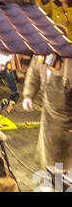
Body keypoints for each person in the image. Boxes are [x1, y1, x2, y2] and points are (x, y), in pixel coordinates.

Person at [23, 53, 72, 181]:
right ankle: (54, 184)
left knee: (68, 171)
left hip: (69, 124)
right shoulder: (41, 51)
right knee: (52, 167)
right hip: (49, 121)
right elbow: (33, 74)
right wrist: (28, 95)